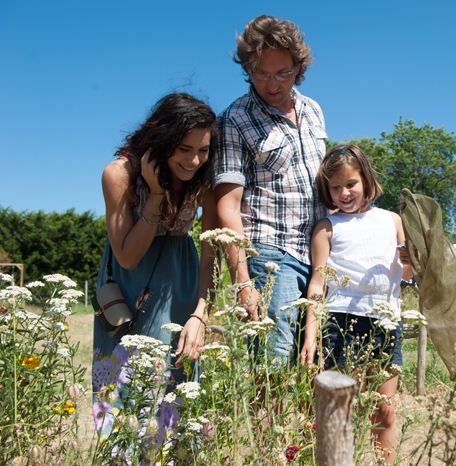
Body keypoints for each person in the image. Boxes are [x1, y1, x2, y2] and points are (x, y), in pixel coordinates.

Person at [92, 93, 218, 438]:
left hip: (183, 281)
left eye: (203, 149)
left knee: (177, 381)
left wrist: (200, 314)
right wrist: (156, 194)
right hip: (132, 281)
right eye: (184, 148)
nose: (194, 161)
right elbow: (127, 256)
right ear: (162, 140)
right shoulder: (119, 173)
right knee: (124, 384)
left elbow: (210, 251)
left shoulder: (206, 177)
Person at [214, 15, 327, 366]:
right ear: (248, 68)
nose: (273, 83)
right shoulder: (234, 118)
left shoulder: (313, 110)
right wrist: (242, 281)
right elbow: (228, 207)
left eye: (283, 72)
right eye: (261, 73)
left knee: (314, 366)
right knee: (271, 370)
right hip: (270, 257)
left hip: (320, 258)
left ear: (299, 67)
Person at [300, 144, 413, 462]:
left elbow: (406, 272)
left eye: (350, 184)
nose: (343, 193)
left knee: (384, 412)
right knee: (338, 412)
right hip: (340, 322)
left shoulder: (392, 220)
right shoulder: (327, 227)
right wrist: (311, 333)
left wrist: (414, 259)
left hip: (387, 322)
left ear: (366, 179)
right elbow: (318, 284)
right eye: (335, 187)